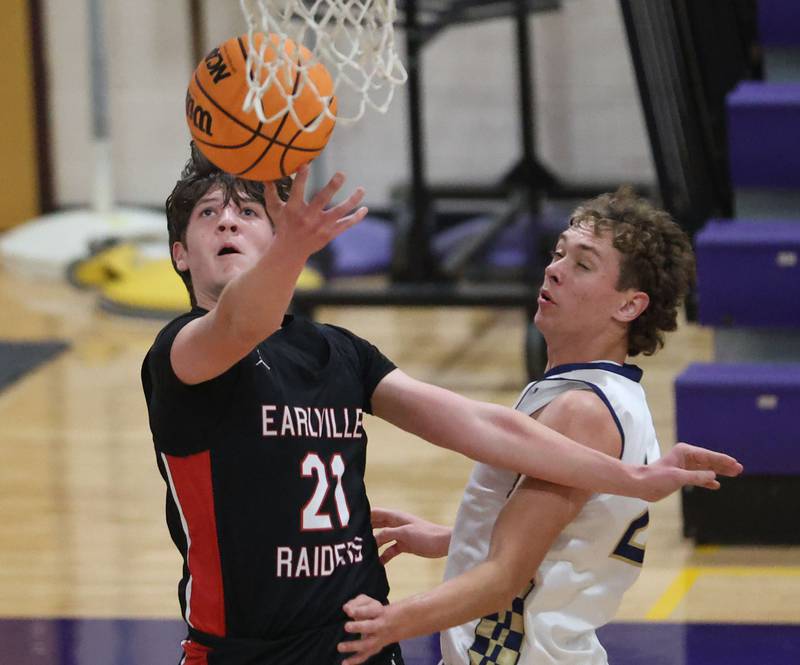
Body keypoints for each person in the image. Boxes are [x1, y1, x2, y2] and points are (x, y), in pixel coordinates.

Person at [141, 147, 740, 665]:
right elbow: (242, 321)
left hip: (356, 639)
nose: (228, 223)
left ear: (273, 234)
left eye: (247, 212)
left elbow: (478, 424)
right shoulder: (183, 355)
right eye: (208, 214)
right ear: (179, 255)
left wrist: (629, 477)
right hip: (249, 649)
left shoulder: (339, 352)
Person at [337, 188, 739, 665]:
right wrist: (459, 534)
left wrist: (389, 624)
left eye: (583, 265)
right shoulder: (608, 395)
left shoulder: (581, 410)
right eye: (559, 253)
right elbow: (560, 534)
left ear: (629, 306)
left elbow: (507, 574)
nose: (554, 270)